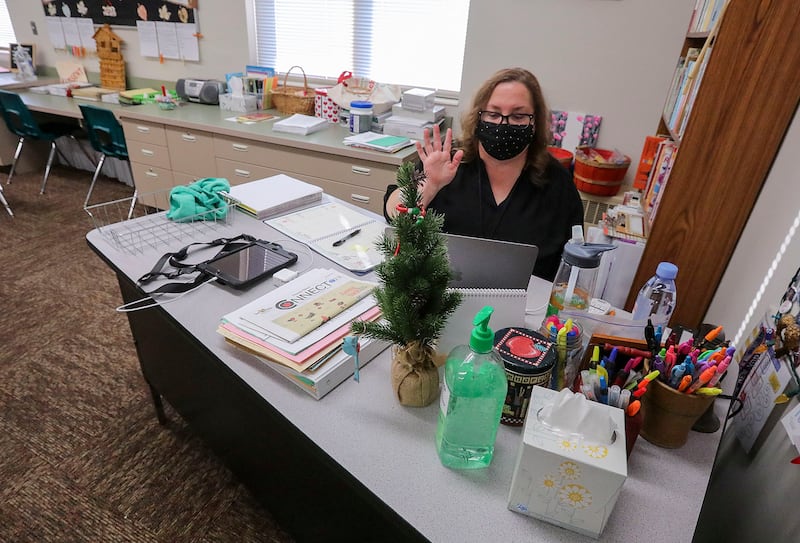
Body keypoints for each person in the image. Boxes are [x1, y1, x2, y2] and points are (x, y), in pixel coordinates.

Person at [384, 67, 584, 281]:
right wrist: (430, 186)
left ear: (535, 122)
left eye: (518, 116)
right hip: (440, 301)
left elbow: (574, 261)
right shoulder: (448, 162)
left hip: (525, 307)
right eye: (493, 113)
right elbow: (392, 212)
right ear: (478, 117)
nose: (503, 123)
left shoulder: (556, 182)